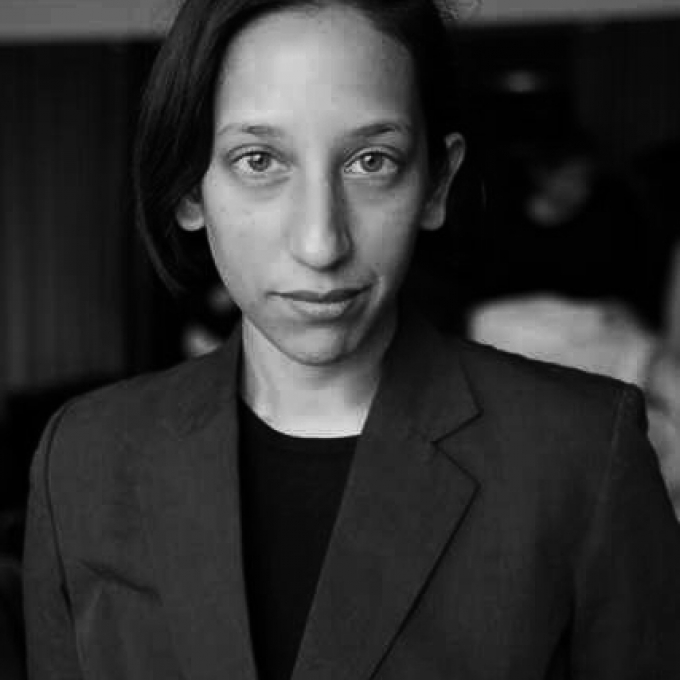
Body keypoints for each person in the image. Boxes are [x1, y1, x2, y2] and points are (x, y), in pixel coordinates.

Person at [23, 0, 680, 678]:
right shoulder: (84, 461)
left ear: (436, 183)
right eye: (259, 160)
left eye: (372, 161)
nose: (320, 243)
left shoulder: (581, 458)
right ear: (190, 187)